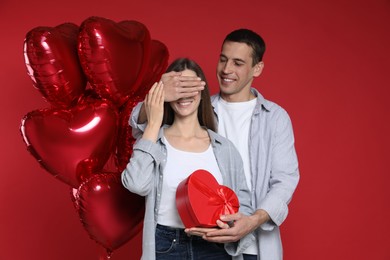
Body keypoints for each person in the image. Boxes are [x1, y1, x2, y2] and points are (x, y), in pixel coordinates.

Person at [130, 29, 300, 260]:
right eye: (223, 59)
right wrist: (160, 95)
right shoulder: (198, 107)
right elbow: (139, 125)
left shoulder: (275, 117)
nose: (227, 69)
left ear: (257, 68)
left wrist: (252, 221)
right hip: (204, 236)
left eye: (238, 63)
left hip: (254, 242)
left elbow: (285, 180)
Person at [122, 58, 254, 260]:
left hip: (215, 248)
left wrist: (232, 227)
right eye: (177, 87)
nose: (183, 94)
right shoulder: (153, 141)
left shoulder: (225, 148)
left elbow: (242, 204)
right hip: (165, 246)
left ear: (202, 93)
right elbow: (137, 185)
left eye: (189, 87)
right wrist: (153, 123)